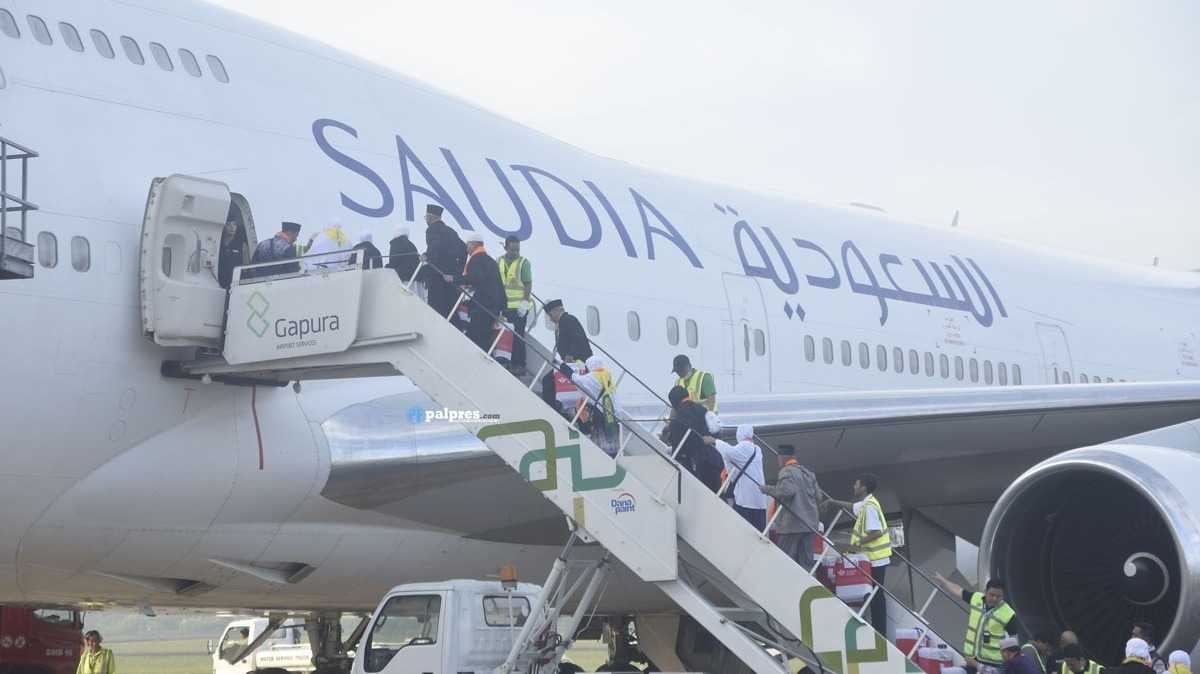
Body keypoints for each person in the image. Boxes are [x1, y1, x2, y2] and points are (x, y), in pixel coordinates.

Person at [829, 475, 892, 635]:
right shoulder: (867, 504)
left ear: (863, 488)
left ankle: (880, 632)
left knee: (876, 596)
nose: (854, 486)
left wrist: (855, 544)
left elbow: (876, 532)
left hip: (876, 559)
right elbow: (852, 506)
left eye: (856, 484)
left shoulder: (869, 507)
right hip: (874, 558)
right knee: (874, 594)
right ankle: (878, 630)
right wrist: (832, 502)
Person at [933, 574, 1018, 673]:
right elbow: (958, 590)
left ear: (1003, 596)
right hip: (971, 659)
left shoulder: (1008, 614)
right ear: (985, 592)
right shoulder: (976, 598)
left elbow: (1014, 642)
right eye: (992, 595)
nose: (994, 599)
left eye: (999, 596)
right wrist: (944, 581)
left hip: (993, 664)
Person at [759, 443, 824, 570]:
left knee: (786, 561)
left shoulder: (786, 471)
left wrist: (767, 489)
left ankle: (785, 587)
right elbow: (819, 496)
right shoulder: (808, 473)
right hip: (810, 525)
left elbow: (787, 491)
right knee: (806, 563)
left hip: (792, 525)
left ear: (782, 458)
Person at [704, 424, 769, 529]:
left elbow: (729, 453)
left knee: (744, 531)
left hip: (745, 501)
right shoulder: (757, 449)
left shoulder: (743, 447)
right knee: (759, 532)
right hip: (760, 501)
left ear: (739, 434)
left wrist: (714, 441)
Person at [661, 385, 722, 492]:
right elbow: (715, 431)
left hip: (696, 468)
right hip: (713, 462)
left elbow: (678, 449)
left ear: (674, 402)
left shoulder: (677, 420)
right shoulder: (704, 411)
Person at [540, 299, 593, 411]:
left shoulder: (568, 320)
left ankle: (554, 409)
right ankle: (557, 408)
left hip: (577, 362)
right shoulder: (562, 323)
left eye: (550, 315)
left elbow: (578, 338)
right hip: (569, 363)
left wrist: (570, 354)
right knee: (550, 382)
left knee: (548, 381)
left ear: (556, 311)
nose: (550, 318)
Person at [563, 355, 621, 456]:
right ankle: (613, 457)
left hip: (602, 416)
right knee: (612, 445)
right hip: (612, 415)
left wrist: (564, 367)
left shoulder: (594, 376)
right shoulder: (607, 375)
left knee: (601, 447)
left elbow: (577, 380)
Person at [458, 232, 505, 352]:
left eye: (467, 245)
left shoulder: (476, 260)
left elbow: (475, 278)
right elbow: (497, 285)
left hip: (482, 306)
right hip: (493, 307)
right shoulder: (491, 261)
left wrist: (456, 279)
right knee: (485, 336)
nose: (466, 248)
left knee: (475, 337)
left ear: (473, 245)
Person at [421, 204, 467, 320]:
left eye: (426, 217)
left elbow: (435, 246)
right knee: (451, 312)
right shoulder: (451, 232)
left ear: (431, 217)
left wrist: (427, 256)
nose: (426, 220)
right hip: (452, 277)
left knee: (437, 312)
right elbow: (463, 249)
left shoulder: (432, 229)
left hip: (437, 277)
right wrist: (458, 270)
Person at [499, 235, 533, 375]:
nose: (516, 253)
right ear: (506, 247)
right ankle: (508, 362)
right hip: (504, 306)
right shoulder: (499, 261)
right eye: (513, 250)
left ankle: (520, 365)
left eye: (517, 250)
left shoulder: (523, 262)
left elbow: (528, 283)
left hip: (519, 308)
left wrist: (525, 302)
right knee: (506, 335)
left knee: (518, 336)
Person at [217, 218, 247, 289]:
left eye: (234, 224)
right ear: (223, 226)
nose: (232, 227)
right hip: (218, 281)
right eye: (228, 224)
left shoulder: (242, 246)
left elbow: (246, 268)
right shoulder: (217, 244)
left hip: (234, 284)